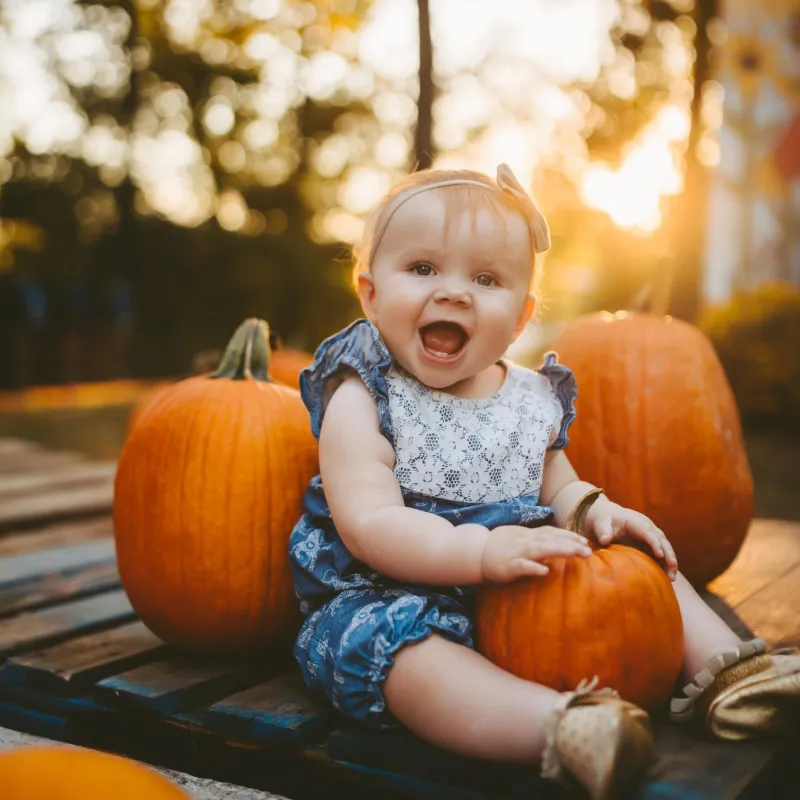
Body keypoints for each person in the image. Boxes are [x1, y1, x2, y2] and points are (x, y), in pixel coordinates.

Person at [288, 164, 800, 799]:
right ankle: (560, 729)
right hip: (390, 589)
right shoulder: (361, 391)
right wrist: (476, 552)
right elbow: (369, 524)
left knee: (634, 559)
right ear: (369, 293)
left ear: (522, 314)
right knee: (403, 656)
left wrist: (592, 510)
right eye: (422, 269)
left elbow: (557, 483)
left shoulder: (529, 398)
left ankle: (731, 675)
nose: (453, 293)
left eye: (485, 279)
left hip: (520, 587)